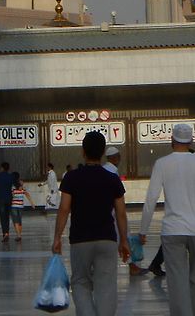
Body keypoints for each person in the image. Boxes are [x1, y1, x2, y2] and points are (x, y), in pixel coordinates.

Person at [138, 123, 195, 316]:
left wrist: (143, 230)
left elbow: (151, 199)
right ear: (191, 141)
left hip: (173, 230)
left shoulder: (162, 163)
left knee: (177, 280)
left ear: (172, 140)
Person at [53, 130, 130, 316]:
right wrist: (124, 241)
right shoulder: (112, 179)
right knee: (106, 285)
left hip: (80, 240)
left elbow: (64, 209)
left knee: (80, 282)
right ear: (103, 152)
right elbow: (121, 212)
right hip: (107, 239)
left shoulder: (71, 178)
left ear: (83, 152)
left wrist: (57, 238)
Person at [11, 173, 33, 241]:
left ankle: (19, 235)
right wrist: (32, 203)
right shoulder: (22, 185)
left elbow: (11, 195)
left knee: (15, 221)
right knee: (19, 220)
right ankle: (19, 234)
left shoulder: (12, 186)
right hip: (20, 205)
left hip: (13, 205)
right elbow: (27, 194)